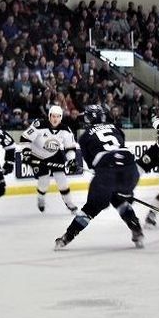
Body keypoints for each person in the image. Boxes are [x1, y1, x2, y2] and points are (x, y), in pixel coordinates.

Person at [54, 105, 144, 249]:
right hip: (130, 169)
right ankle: (137, 229)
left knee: (91, 208)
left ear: (89, 118)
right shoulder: (115, 127)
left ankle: (67, 237)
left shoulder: (84, 137)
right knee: (119, 200)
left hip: (107, 172)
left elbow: (92, 165)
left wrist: (106, 177)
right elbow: (121, 145)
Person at [20, 105, 79, 214]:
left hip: (55, 155)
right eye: (53, 116)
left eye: (58, 116)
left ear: (61, 117)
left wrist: (71, 160)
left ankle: (69, 203)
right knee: (44, 181)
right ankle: (40, 198)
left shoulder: (66, 130)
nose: (55, 119)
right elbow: (25, 138)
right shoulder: (39, 125)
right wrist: (26, 152)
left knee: (62, 181)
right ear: (49, 116)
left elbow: (70, 147)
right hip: (37, 156)